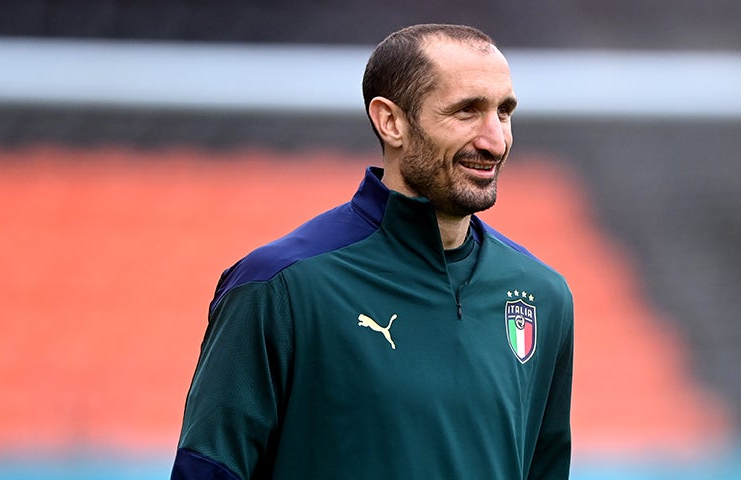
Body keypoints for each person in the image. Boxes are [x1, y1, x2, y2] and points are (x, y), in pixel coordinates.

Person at [171, 23, 574, 479]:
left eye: (503, 112)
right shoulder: (278, 286)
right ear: (391, 122)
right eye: (466, 111)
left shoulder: (543, 295)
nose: (495, 140)